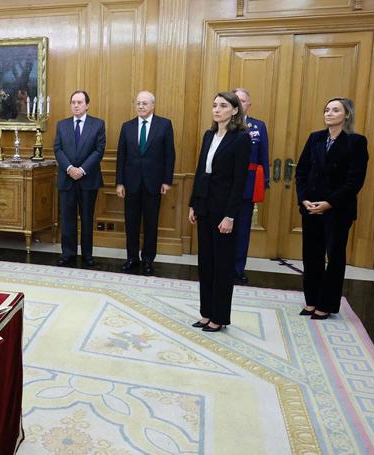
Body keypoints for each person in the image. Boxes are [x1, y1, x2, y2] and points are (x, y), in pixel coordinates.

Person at [296, 97, 368, 320]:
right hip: (311, 207)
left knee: (334, 257)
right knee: (311, 255)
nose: (329, 113)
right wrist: (304, 199)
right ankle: (311, 301)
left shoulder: (356, 142)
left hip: (337, 209)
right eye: (326, 109)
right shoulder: (315, 138)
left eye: (335, 110)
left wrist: (329, 203)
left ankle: (326, 304)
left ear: (346, 115)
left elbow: (354, 181)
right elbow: (302, 171)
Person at [188, 91, 250, 332]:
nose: (217, 109)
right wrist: (193, 203)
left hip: (224, 208)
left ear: (235, 110)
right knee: (206, 262)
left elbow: (239, 180)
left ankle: (220, 316)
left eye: (223, 106)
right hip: (204, 205)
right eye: (214, 105)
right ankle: (206, 312)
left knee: (222, 264)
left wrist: (230, 215)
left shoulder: (241, 138)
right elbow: (200, 171)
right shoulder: (209, 135)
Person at [115, 91, 175, 276]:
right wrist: (119, 183)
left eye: (145, 103)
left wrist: (167, 180)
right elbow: (121, 157)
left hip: (154, 183)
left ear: (153, 105)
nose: (141, 106)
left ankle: (148, 260)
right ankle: (132, 257)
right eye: (138, 103)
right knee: (131, 222)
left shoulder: (164, 125)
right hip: (130, 184)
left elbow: (169, 155)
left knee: (151, 223)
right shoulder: (127, 127)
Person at [53, 90, 106, 267]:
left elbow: (99, 151)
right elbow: (57, 149)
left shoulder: (98, 124)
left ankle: (87, 255)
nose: (76, 105)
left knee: (87, 218)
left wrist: (82, 170)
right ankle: (68, 253)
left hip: (88, 179)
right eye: (73, 102)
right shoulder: (62, 125)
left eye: (80, 102)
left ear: (87, 105)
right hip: (67, 179)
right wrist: (69, 168)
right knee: (67, 219)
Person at [233, 88, 270, 284]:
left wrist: (264, 183)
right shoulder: (224, 125)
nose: (240, 104)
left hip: (247, 185)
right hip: (227, 185)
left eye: (243, 100)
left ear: (249, 104)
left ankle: (238, 269)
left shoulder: (258, 126)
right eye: (236, 100)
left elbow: (263, 156)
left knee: (242, 229)